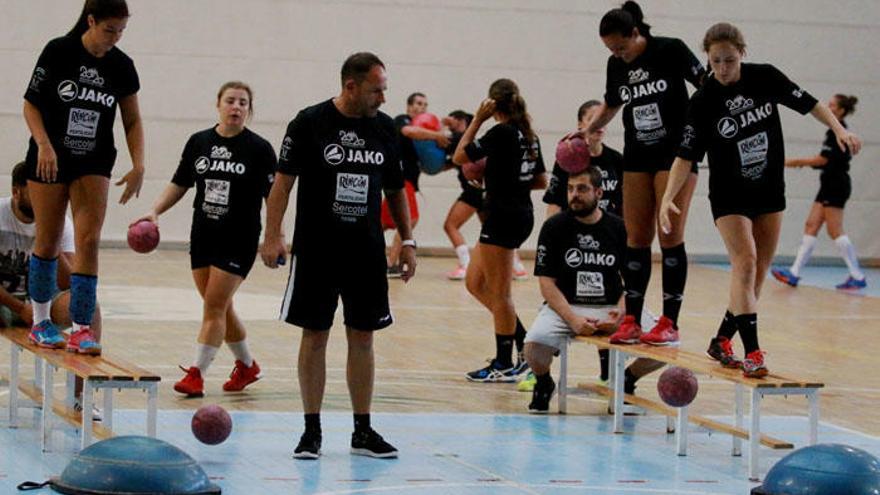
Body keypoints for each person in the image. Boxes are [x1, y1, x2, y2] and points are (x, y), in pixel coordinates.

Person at [659, 23, 860, 377]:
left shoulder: (764, 77)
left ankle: (721, 338)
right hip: (729, 195)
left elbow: (810, 103)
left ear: (742, 54)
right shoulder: (703, 99)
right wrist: (667, 199)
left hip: (768, 189)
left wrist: (840, 129)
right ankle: (753, 352)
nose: (722, 68)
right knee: (746, 261)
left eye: (729, 60)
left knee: (758, 273)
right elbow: (684, 156)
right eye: (716, 61)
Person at [260, 52, 416, 459]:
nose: (383, 98)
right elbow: (282, 184)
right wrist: (271, 235)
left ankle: (362, 431)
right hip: (317, 249)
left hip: (365, 252)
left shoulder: (384, 129)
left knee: (362, 337)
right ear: (351, 86)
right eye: (376, 90)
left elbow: (396, 190)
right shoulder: (309, 122)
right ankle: (311, 430)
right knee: (315, 336)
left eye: (385, 89)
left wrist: (409, 240)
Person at [134, 82, 276, 397]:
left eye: (243, 102)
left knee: (214, 305)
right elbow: (180, 182)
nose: (236, 107)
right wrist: (155, 211)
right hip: (203, 235)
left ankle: (197, 373)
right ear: (218, 105)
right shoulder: (199, 142)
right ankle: (248, 366)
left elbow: (274, 196)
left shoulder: (259, 149)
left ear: (248, 110)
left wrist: (274, 235)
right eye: (231, 101)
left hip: (239, 238)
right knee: (220, 307)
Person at [23, 0, 143, 354]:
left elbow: (132, 120)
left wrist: (138, 165)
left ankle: (81, 328)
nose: (115, 38)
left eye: (121, 31)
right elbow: (30, 104)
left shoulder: (122, 66)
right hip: (51, 157)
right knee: (48, 238)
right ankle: (41, 322)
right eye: (109, 30)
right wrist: (44, 144)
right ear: (91, 21)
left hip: (94, 159)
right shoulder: (58, 50)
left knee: (89, 241)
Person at [584, 1, 705, 347]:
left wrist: (697, 128)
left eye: (622, 47)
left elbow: (706, 86)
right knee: (636, 238)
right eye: (611, 50)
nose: (618, 55)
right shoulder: (615, 64)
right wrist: (588, 130)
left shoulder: (670, 49)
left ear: (635, 33)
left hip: (675, 156)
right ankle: (633, 319)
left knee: (669, 235)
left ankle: (669, 321)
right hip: (637, 154)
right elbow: (612, 102)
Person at [525, 167, 662, 413]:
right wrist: (572, 319)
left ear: (598, 192)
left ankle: (626, 380)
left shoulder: (620, 228)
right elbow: (546, 283)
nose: (574, 195)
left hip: (612, 306)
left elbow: (633, 280)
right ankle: (544, 383)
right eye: (570, 189)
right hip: (567, 307)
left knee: (663, 348)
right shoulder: (554, 227)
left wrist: (622, 311)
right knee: (533, 347)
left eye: (582, 189)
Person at [524, 99, 624, 392]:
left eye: (602, 119)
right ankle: (544, 359)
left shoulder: (617, 160)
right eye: (592, 118)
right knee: (564, 293)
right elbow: (555, 202)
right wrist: (554, 237)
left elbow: (628, 204)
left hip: (608, 237)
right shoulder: (568, 159)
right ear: (581, 125)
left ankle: (610, 373)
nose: (598, 124)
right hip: (572, 238)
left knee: (608, 295)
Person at [452, 78, 547, 382]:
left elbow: (460, 156)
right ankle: (522, 340)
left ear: (492, 104)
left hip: (504, 216)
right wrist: (499, 178)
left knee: (500, 293)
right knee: (475, 282)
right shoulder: (529, 135)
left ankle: (505, 363)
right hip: (516, 213)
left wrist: (477, 119)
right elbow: (540, 180)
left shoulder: (501, 131)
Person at [0, 161, 103, 416]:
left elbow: (70, 282)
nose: (43, 198)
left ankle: (80, 396)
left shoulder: (61, 223)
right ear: (17, 192)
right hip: (6, 301)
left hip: (42, 302)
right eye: (35, 192)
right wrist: (21, 308)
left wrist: (50, 242)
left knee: (89, 308)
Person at [771, 94, 867, 290]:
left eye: (832, 105)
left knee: (835, 230)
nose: (828, 107)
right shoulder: (832, 131)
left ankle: (857, 275)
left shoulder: (839, 132)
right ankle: (794, 274)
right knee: (811, 225)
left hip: (836, 185)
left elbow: (823, 160)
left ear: (840, 111)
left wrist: (793, 162)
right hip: (828, 184)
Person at [385, 92, 448, 277]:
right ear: (409, 106)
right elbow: (408, 132)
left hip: (408, 181)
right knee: (410, 219)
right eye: (419, 103)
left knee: (379, 223)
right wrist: (437, 135)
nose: (422, 107)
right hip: (400, 180)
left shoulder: (424, 134)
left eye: (425, 105)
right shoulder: (403, 120)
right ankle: (391, 264)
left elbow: (429, 164)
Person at [442, 110, 483, 280]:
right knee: (491, 229)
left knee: (450, 225)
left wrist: (438, 129)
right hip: (483, 190)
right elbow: (450, 163)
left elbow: (440, 143)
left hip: (473, 190)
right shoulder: (470, 143)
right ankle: (517, 267)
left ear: (460, 121)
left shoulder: (458, 138)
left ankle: (466, 265)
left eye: (452, 120)